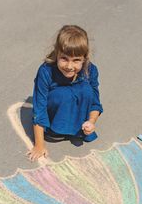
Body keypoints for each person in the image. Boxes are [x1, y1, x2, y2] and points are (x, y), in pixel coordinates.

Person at [27, 25, 103, 161]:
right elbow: (39, 108)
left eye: (76, 60)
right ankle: (58, 129)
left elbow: (95, 103)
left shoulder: (90, 70)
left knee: (86, 90)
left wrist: (91, 122)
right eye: (64, 58)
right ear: (57, 54)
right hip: (53, 128)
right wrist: (39, 145)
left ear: (84, 59)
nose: (69, 66)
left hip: (80, 128)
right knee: (63, 94)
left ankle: (75, 127)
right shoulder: (46, 71)